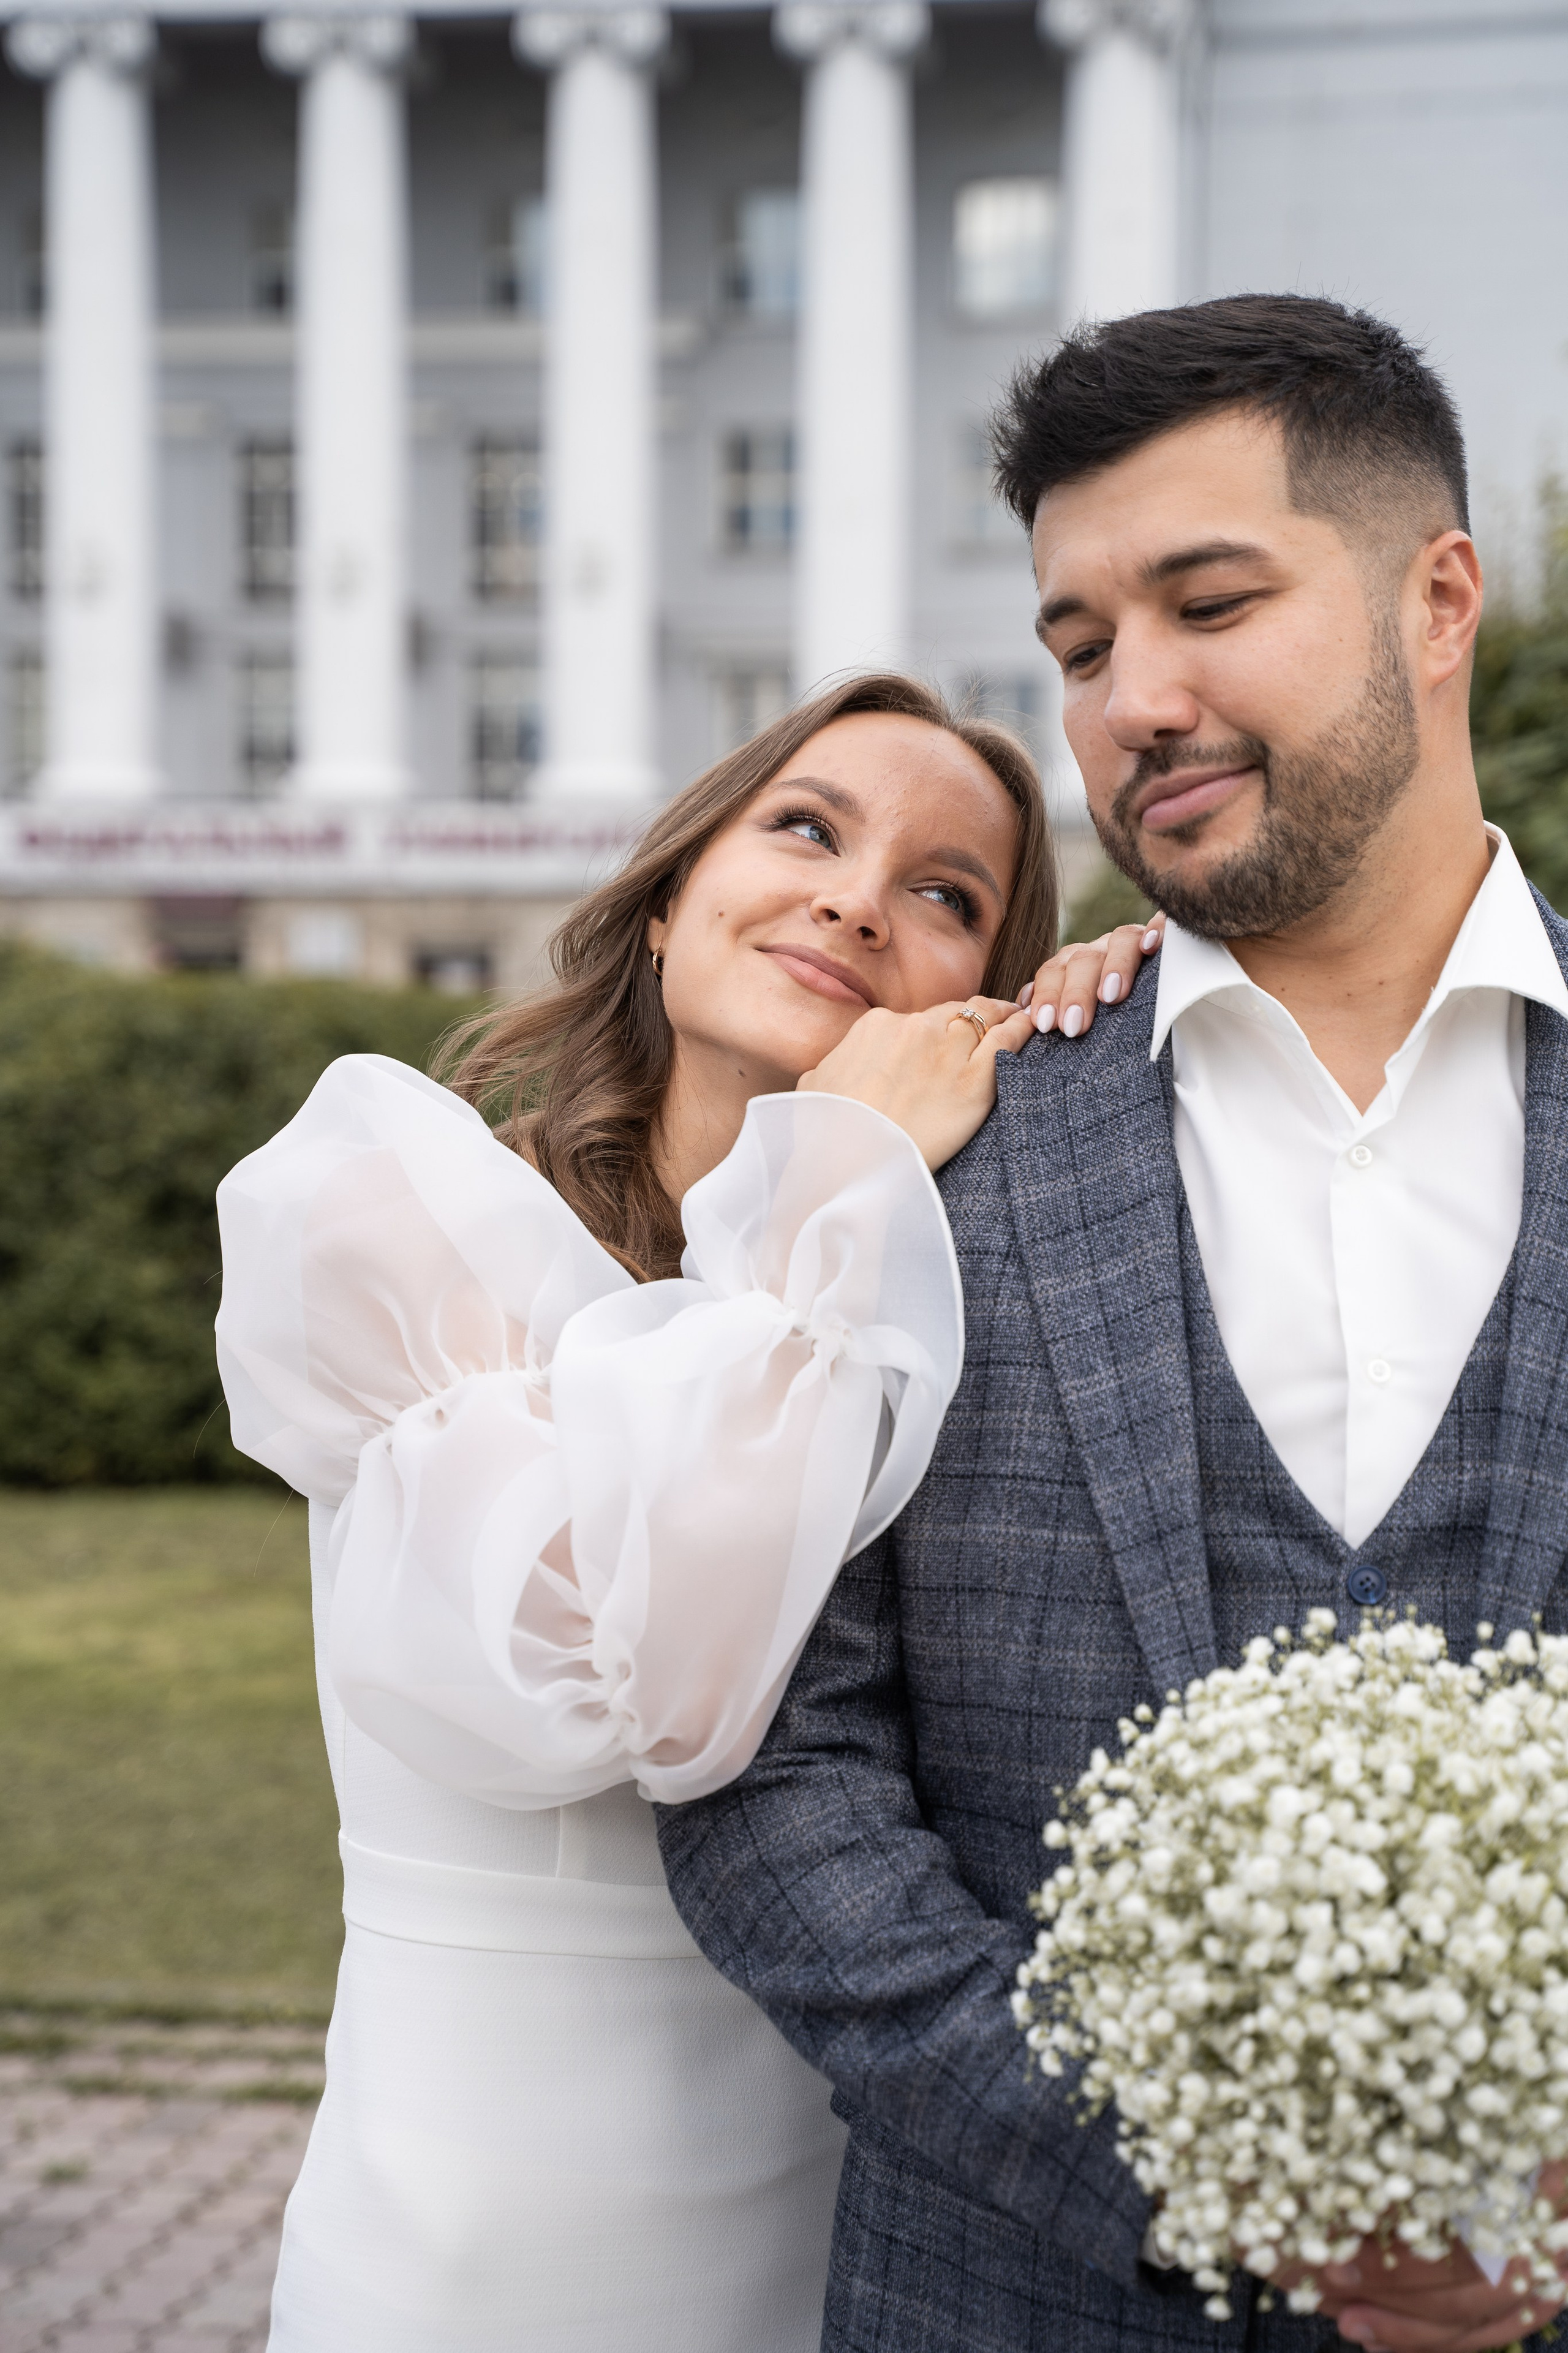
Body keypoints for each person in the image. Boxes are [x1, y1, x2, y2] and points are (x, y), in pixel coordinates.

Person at [659, 293, 1568, 2353]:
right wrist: (1179, 2183)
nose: (1130, 698)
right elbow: (762, 1761)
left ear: (1441, 602)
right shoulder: (930, 1137)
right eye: (1078, 647)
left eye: (1209, 602)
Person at [213, 668, 1155, 2352]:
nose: (860, 900)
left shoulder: (909, 1320)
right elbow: (614, 1673)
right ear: (666, 902)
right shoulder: (393, 1213)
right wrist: (834, 1173)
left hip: (830, 2232)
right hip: (466, 2241)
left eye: (950, 896)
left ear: (977, 1000)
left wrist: (1117, 1049)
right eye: (807, 827)